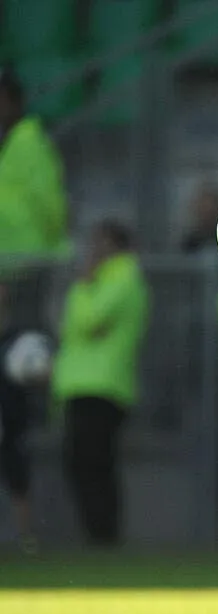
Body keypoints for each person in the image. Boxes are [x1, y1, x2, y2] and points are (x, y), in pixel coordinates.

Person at [52, 220, 149, 546]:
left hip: (101, 384)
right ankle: (100, 535)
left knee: (93, 465)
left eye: (101, 244)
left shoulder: (121, 277)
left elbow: (86, 320)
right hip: (88, 384)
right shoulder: (114, 279)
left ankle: (103, 536)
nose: (94, 251)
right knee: (86, 464)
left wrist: (82, 285)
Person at [0, 285, 53, 551]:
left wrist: (40, 373)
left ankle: (25, 540)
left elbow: (45, 374)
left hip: (12, 421)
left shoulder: (20, 337)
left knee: (18, 480)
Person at [0, 66, 68, 256]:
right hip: (14, 259)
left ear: (13, 101)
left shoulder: (28, 142)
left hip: (31, 259)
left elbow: (51, 203)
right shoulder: (12, 144)